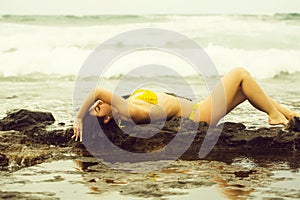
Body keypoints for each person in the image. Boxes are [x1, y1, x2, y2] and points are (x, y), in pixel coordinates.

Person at [72, 67, 299, 141]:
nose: (100, 102)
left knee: (244, 89)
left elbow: (99, 94)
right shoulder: (129, 111)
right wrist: (79, 117)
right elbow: (97, 90)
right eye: (98, 107)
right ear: (107, 118)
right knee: (239, 73)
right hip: (198, 117)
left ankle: (289, 114)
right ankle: (274, 116)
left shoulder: (125, 107)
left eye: (97, 104)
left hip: (198, 109)